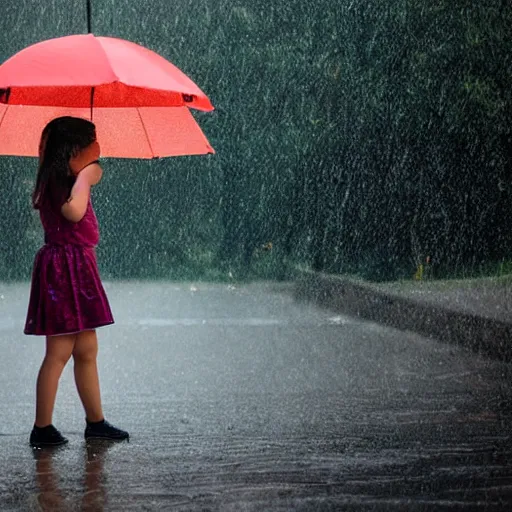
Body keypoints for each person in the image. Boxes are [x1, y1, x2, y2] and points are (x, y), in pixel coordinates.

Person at [24, 116, 129, 447]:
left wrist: (83, 175)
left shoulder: (67, 176)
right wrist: (84, 178)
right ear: (72, 151)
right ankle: (42, 427)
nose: (97, 150)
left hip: (79, 266)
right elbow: (73, 213)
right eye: (91, 144)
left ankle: (95, 421)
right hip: (63, 268)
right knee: (58, 351)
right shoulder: (60, 180)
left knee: (86, 348)